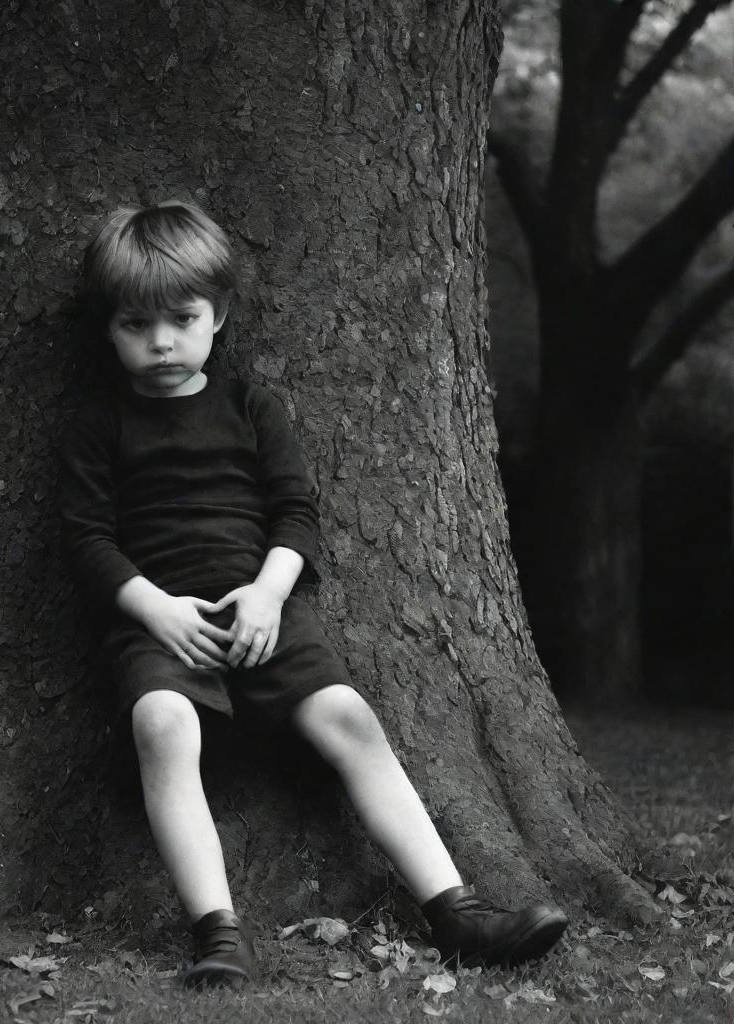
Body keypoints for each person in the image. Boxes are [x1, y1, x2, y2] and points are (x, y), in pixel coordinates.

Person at [59, 200, 567, 987]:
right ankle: (218, 932)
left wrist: (266, 594)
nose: (161, 341)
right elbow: (88, 538)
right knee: (161, 722)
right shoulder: (101, 421)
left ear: (218, 314)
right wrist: (153, 606)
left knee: (349, 718)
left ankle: (456, 910)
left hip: (264, 605)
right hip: (160, 621)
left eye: (182, 318)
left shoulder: (249, 407)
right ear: (108, 328)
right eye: (135, 324)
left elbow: (296, 515)